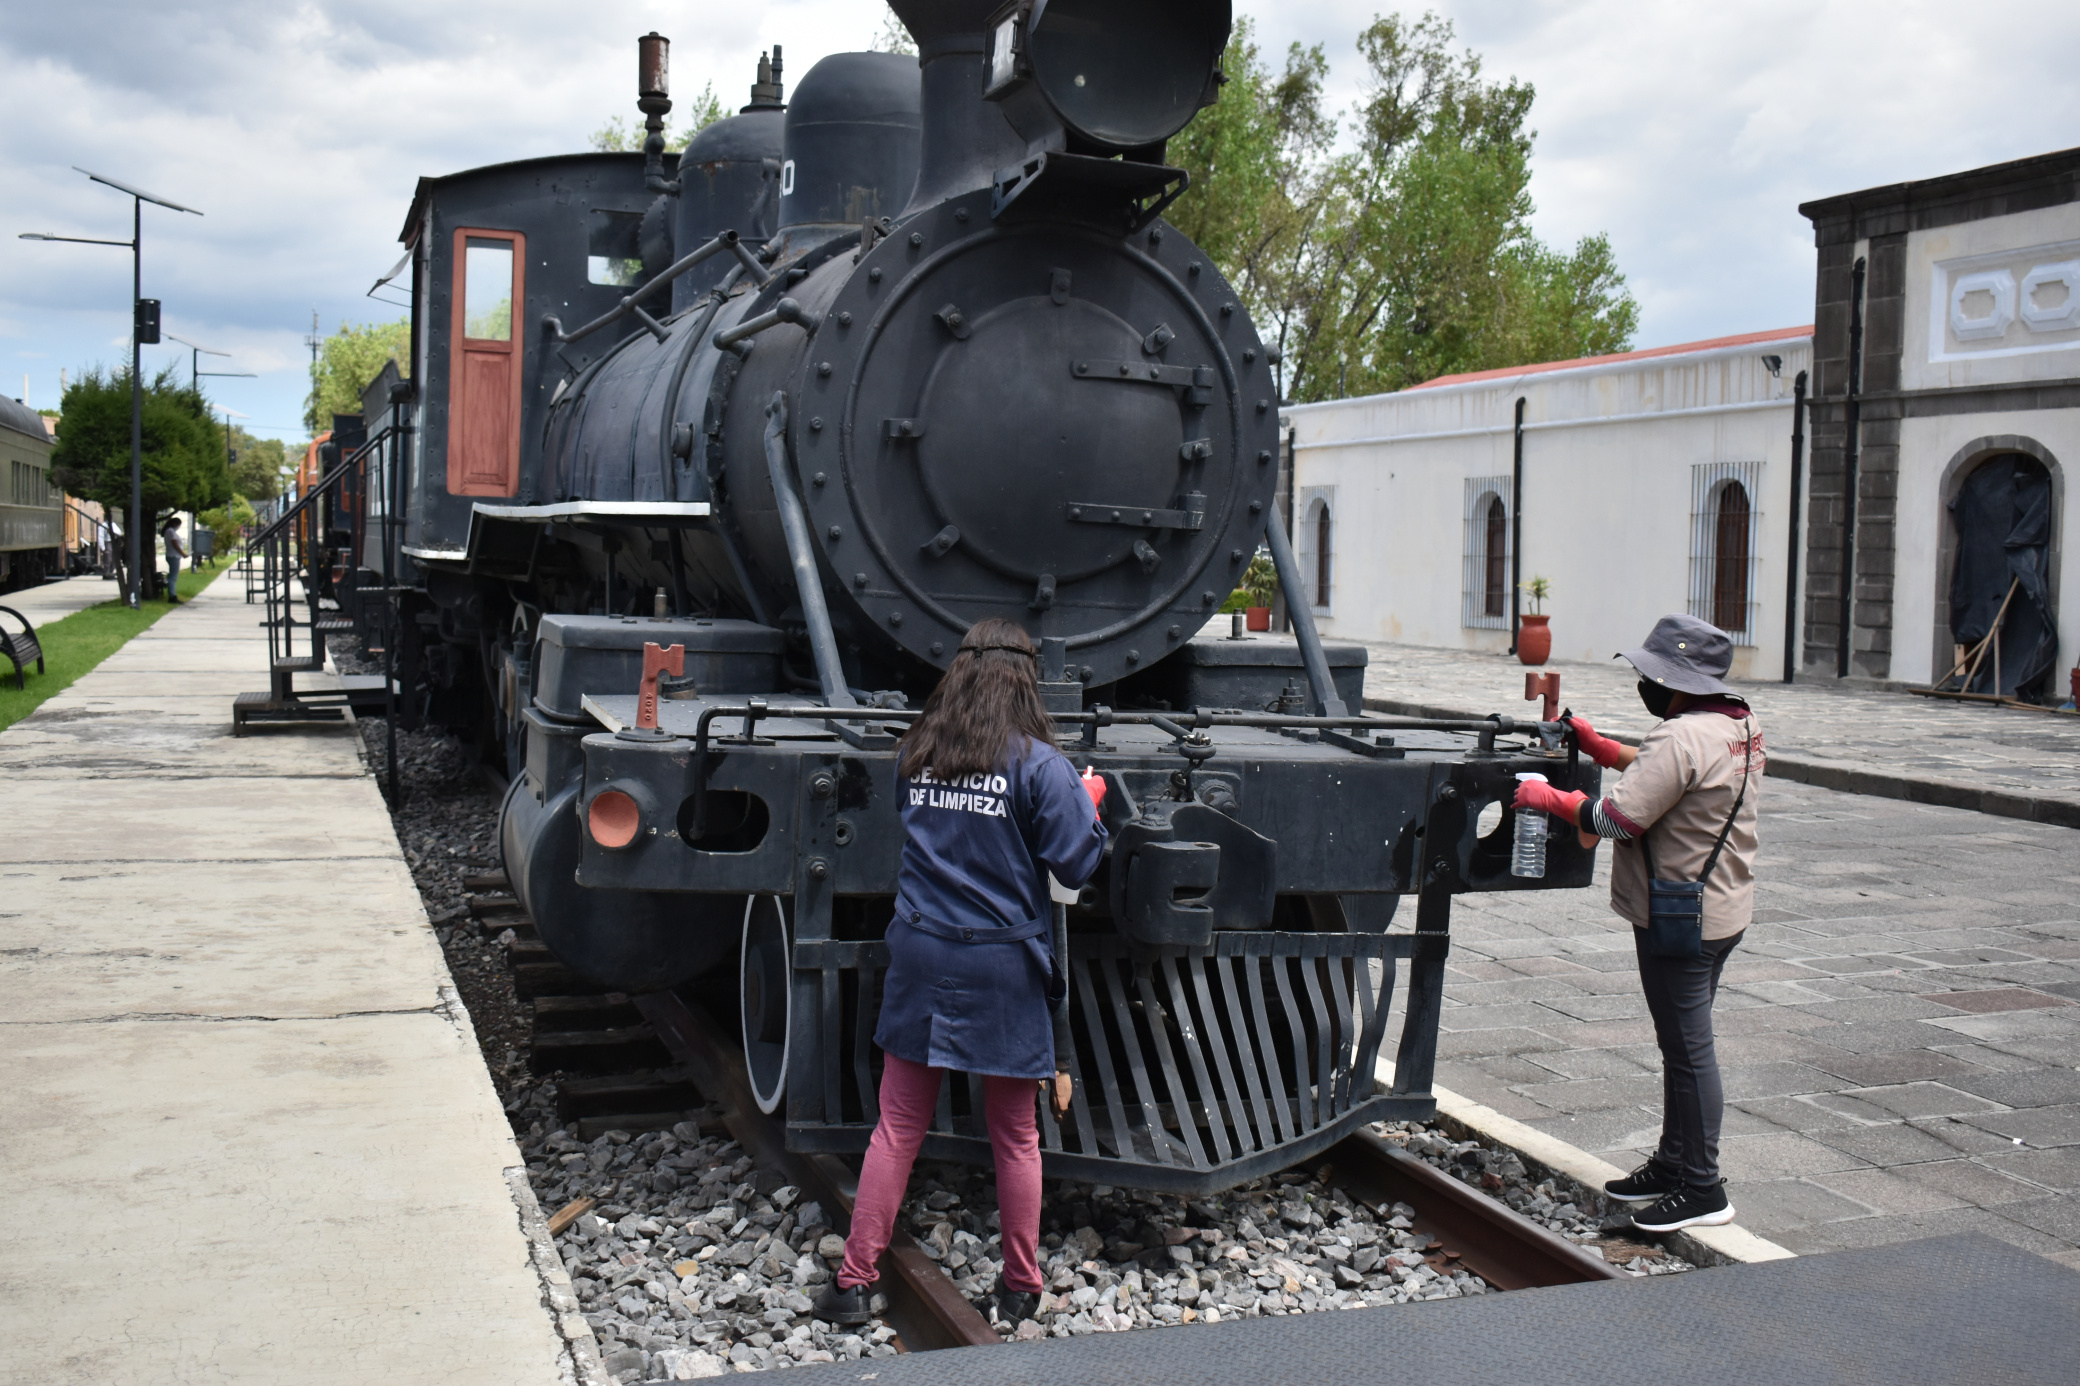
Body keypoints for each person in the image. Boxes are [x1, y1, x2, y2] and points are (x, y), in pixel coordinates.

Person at [816, 618, 1107, 1330]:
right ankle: (1018, 1284)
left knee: (897, 1127)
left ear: (960, 674)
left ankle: (853, 1283)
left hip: (920, 950)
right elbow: (1077, 864)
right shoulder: (1042, 767)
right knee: (1014, 1134)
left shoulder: (918, 753)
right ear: (1025, 681)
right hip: (1001, 963)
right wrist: (1090, 803)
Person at [1512, 614, 1764, 1234]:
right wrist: (1602, 748)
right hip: (1722, 906)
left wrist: (1547, 798)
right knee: (1682, 1046)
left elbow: (1620, 821)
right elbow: (1670, 777)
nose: (1645, 683)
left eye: (1652, 673)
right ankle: (1674, 1163)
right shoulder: (1739, 724)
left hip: (1678, 915)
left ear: (1678, 680)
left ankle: (1703, 1188)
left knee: (1688, 1051)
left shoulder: (1679, 737)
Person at [161, 516, 187, 604]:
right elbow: (175, 544)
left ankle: (172, 594)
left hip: (173, 555)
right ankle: (172, 596)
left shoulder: (170, 531)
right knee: (173, 577)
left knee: (172, 576)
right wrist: (183, 554)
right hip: (174, 556)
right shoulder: (171, 531)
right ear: (175, 524)